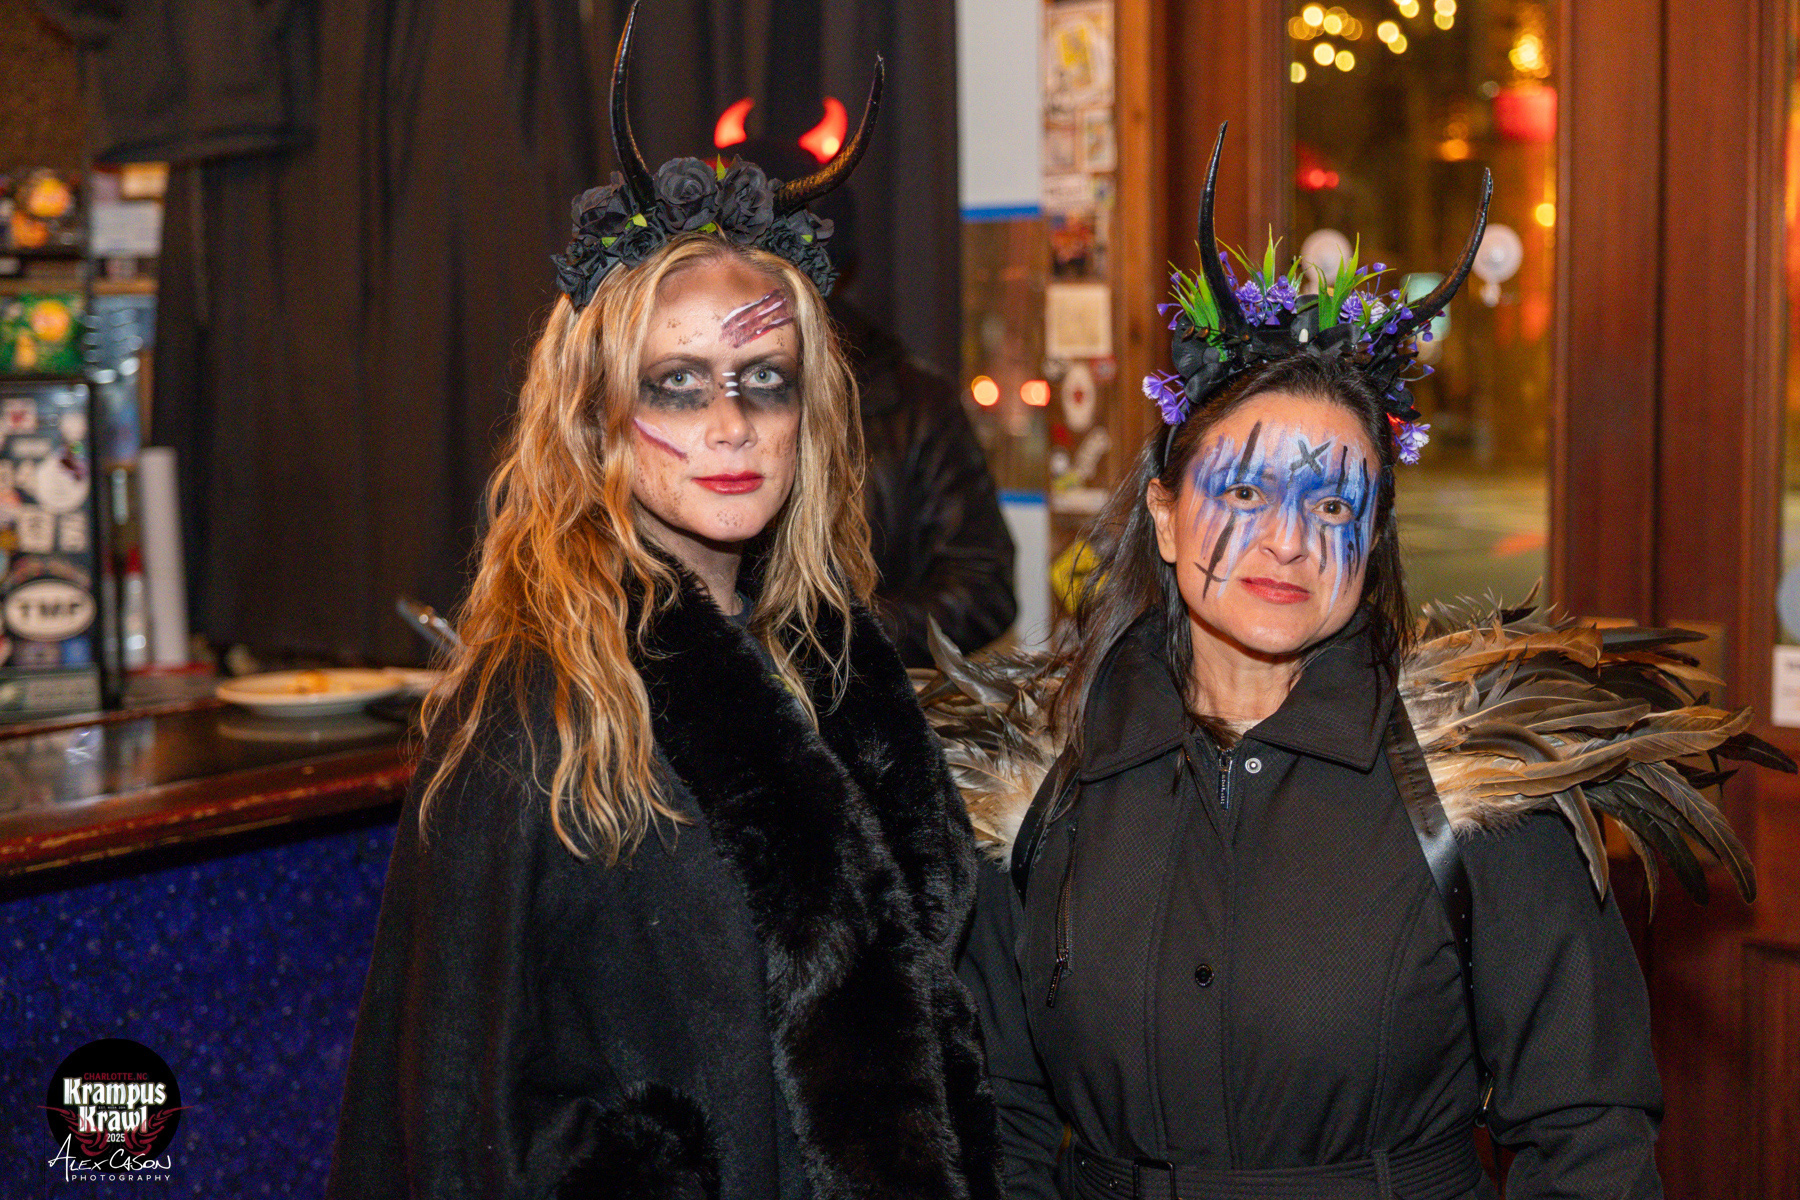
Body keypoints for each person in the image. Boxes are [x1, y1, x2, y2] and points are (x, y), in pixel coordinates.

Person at [950, 129, 1776, 1200]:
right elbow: (997, 1121)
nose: (1289, 542)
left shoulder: (1477, 789)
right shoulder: (1040, 787)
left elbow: (1587, 1139)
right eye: (1244, 491)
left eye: (1334, 505)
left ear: (1373, 536)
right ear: (1164, 515)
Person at [326, 10, 999, 1199]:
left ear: (809, 414)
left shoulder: (843, 668)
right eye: (676, 384)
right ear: (597, 416)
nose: (730, 424)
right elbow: (448, 1097)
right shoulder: (533, 704)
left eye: (764, 381)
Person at [732, 130, 1017, 666]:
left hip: (860, 698)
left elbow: (983, 586)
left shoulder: (912, 401)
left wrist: (835, 633)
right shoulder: (686, 399)